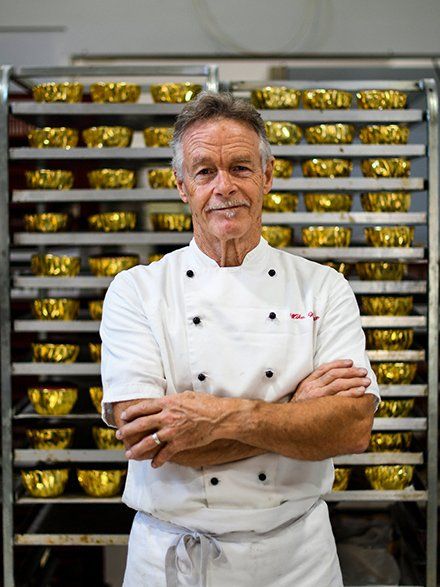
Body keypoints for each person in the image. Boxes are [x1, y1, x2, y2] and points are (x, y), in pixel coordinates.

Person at [100, 92, 380, 587]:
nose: (224, 187)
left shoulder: (323, 288)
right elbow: (147, 438)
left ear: (267, 176)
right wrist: (295, 413)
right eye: (204, 171)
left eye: (241, 168)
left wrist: (216, 420)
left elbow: (351, 430)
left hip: (296, 560)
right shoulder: (136, 291)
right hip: (173, 560)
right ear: (181, 186)